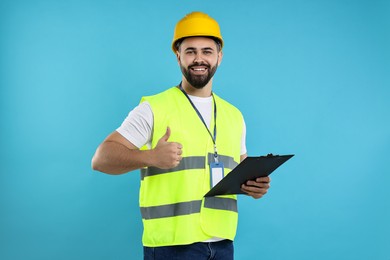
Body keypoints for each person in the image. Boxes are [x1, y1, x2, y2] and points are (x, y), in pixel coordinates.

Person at [92, 11, 271, 260]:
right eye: (190, 51)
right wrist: (151, 156)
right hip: (171, 247)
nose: (199, 59)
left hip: (223, 244)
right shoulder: (155, 108)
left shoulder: (234, 115)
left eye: (207, 51)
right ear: (178, 56)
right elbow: (101, 159)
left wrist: (254, 187)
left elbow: (239, 170)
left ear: (220, 56)